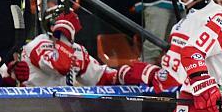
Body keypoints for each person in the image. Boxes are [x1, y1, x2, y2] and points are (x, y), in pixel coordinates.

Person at [20, 6, 159, 87]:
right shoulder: (37, 45)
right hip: (34, 108)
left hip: (61, 111)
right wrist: (63, 33)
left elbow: (99, 77)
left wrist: (125, 75)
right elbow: (61, 66)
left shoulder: (77, 50)